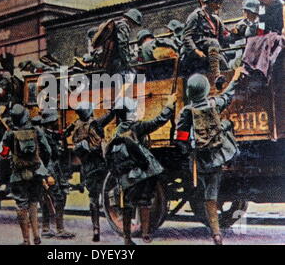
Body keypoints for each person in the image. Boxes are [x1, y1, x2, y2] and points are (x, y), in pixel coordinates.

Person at [174, 67, 243, 245]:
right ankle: (217, 234)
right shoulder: (214, 103)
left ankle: (216, 233)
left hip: (200, 160)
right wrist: (235, 77)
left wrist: (190, 151)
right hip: (219, 155)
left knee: (207, 195)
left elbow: (180, 137)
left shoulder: (186, 111)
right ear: (205, 89)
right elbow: (227, 96)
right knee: (227, 125)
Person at [105, 94, 177, 245]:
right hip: (140, 173)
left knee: (127, 205)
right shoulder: (137, 127)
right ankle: (145, 234)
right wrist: (169, 104)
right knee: (145, 201)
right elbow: (159, 121)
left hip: (126, 175)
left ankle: (127, 238)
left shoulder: (116, 131)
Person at [0, 104, 50, 245]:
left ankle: (26, 240)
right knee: (33, 204)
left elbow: (2, 157)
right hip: (36, 173)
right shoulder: (36, 130)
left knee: (21, 206)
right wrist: (43, 169)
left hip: (18, 175)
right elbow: (48, 151)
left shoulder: (9, 134)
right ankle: (37, 236)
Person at [67, 102, 115, 242]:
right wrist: (112, 108)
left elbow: (67, 136)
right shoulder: (96, 124)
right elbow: (110, 116)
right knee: (110, 192)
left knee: (93, 199)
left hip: (87, 167)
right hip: (101, 164)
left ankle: (96, 229)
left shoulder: (76, 126)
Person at [181, 0, 230, 89]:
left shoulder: (217, 20)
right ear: (208, 2)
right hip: (195, 52)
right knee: (213, 42)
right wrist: (196, 51)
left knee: (225, 65)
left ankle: (224, 85)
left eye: (220, 3)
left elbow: (222, 39)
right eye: (216, 2)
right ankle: (217, 76)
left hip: (210, 51)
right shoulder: (196, 15)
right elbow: (186, 37)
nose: (218, 6)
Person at [40, 109, 75, 239]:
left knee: (53, 196)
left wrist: (70, 129)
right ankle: (58, 229)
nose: (57, 122)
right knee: (56, 197)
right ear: (51, 122)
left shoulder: (49, 133)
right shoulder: (43, 136)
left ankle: (46, 228)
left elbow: (60, 135)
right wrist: (46, 175)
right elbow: (43, 157)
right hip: (49, 169)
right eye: (55, 120)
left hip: (55, 168)